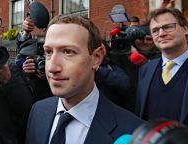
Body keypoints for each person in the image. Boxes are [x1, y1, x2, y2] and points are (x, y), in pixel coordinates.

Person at [26, 15, 143, 144]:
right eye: (48, 52)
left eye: (68, 52)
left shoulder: (134, 133)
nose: (52, 67)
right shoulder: (38, 111)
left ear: (97, 57)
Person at [135, 7, 188, 138]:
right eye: (155, 30)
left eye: (167, 27)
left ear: (185, 29)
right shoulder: (145, 70)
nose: (161, 33)